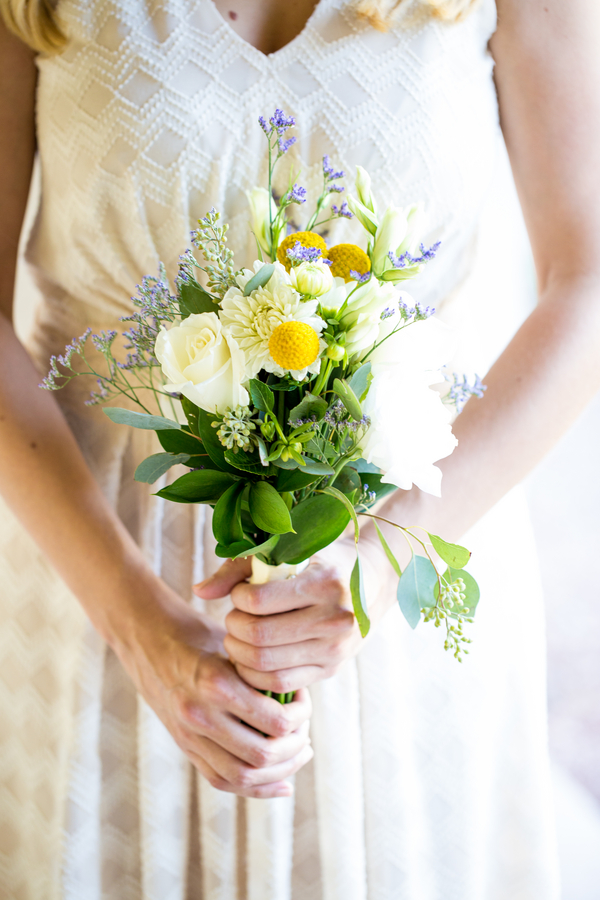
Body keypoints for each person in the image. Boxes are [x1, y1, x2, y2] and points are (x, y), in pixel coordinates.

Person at [1, 0, 599, 896]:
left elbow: (587, 281)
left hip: (413, 551)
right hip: (95, 569)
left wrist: (382, 559)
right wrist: (140, 625)